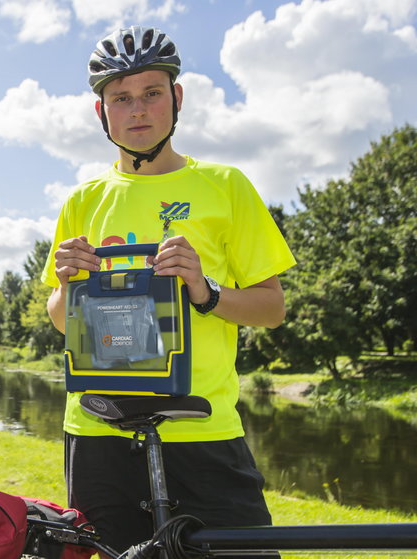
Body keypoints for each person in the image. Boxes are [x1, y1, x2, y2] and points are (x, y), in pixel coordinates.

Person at [41, 26, 296, 554]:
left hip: (199, 427)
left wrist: (206, 290)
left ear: (176, 98)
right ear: (101, 112)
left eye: (152, 93)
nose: (138, 110)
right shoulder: (83, 199)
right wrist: (67, 287)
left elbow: (272, 308)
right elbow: (61, 320)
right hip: (98, 428)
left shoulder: (225, 186)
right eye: (121, 98)